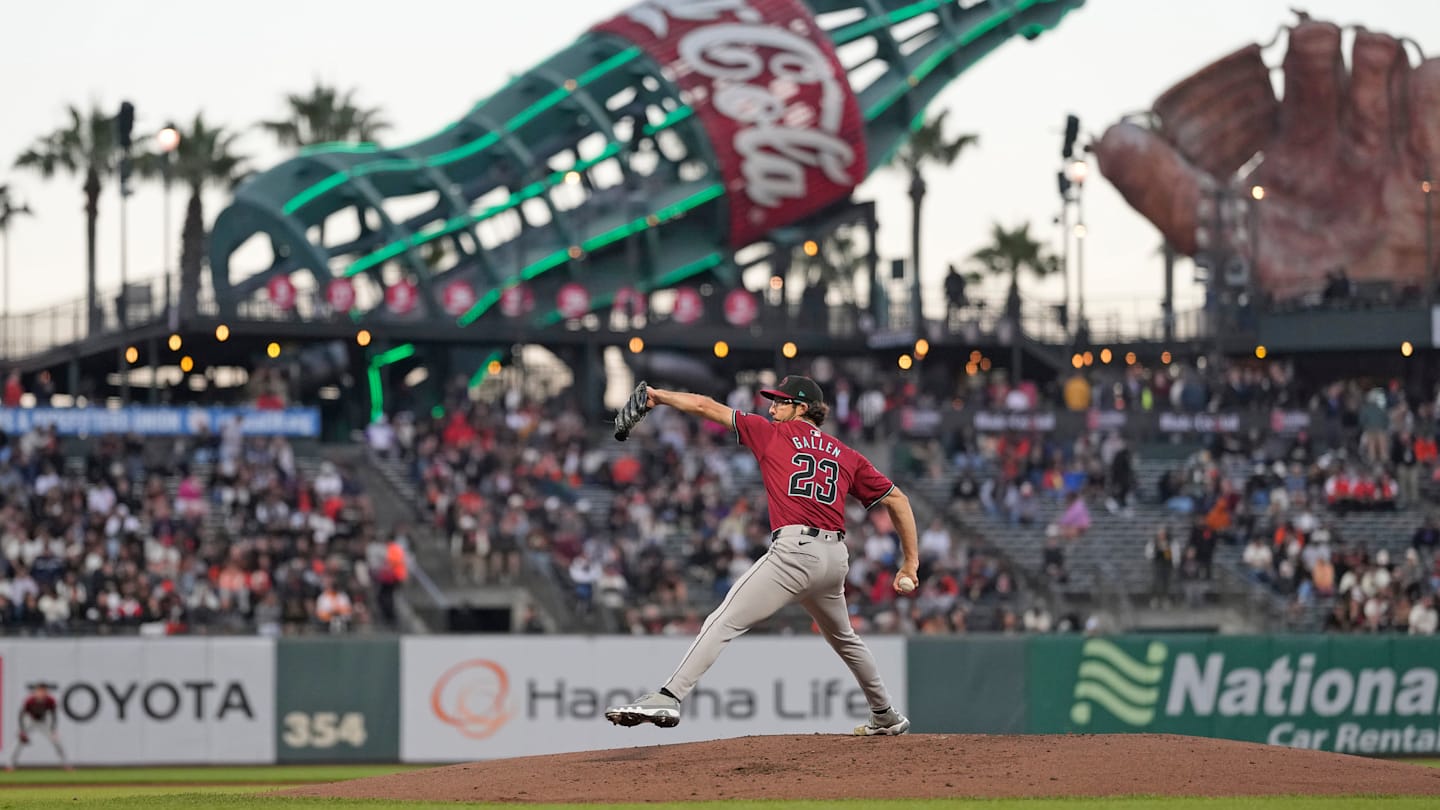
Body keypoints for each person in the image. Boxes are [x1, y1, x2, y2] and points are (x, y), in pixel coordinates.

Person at [604, 375, 918, 736]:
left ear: (802, 408)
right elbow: (898, 499)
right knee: (845, 638)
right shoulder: (846, 454)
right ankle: (885, 714)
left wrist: (659, 396)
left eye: (780, 402)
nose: (771, 408)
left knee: (723, 620)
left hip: (795, 552)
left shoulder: (771, 433)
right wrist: (910, 562)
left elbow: (706, 406)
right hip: (835, 559)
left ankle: (669, 696)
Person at [8, 682, 69, 771]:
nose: (42, 693)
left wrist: (53, 729)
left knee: (57, 741)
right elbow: (21, 714)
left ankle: (66, 764)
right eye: (40, 691)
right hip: (30, 721)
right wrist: (22, 730)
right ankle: (10, 765)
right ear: (36, 692)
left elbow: (53, 714)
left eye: (44, 691)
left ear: (46, 692)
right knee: (18, 742)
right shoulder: (30, 700)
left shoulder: (50, 700)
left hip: (43, 722)